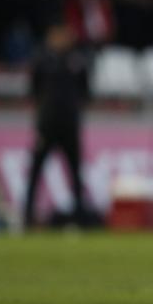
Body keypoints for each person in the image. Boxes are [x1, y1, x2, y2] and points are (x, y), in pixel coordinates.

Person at [23, 23, 91, 229]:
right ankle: (27, 215)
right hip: (48, 125)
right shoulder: (42, 61)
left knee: (75, 170)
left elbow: (85, 91)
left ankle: (79, 215)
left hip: (70, 125)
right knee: (36, 170)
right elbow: (34, 90)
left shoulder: (77, 61)